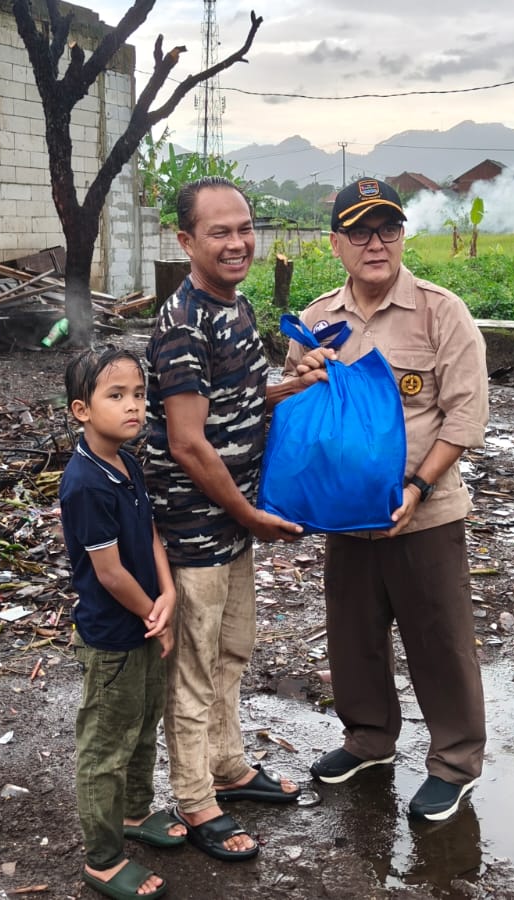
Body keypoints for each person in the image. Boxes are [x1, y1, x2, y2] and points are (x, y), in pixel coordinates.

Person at [284, 178, 489, 822]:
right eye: (361, 231)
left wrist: (418, 484)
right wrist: (303, 378)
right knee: (354, 636)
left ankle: (454, 761)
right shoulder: (316, 320)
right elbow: (299, 413)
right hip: (346, 518)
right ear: (336, 244)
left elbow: (464, 416)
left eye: (388, 229)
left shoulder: (440, 311)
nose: (377, 243)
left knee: (439, 639)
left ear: (402, 235)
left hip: (423, 513)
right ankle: (369, 740)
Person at [142, 176, 329, 861]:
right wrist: (249, 513)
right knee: (193, 668)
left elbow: (240, 399)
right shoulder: (184, 322)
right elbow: (189, 440)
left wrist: (294, 387)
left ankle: (228, 765)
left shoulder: (237, 305)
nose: (238, 242)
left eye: (245, 227)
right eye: (218, 232)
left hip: (233, 521)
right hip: (198, 525)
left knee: (232, 649)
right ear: (186, 241)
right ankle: (195, 798)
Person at [60, 348, 186, 900]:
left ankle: (135, 813)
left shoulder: (126, 462)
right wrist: (152, 615)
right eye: (117, 397)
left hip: (145, 622)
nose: (134, 407)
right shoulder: (85, 483)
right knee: (105, 747)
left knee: (143, 725)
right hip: (113, 635)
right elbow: (109, 574)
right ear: (81, 410)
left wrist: (169, 593)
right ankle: (104, 858)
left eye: (138, 394)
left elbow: (152, 532)